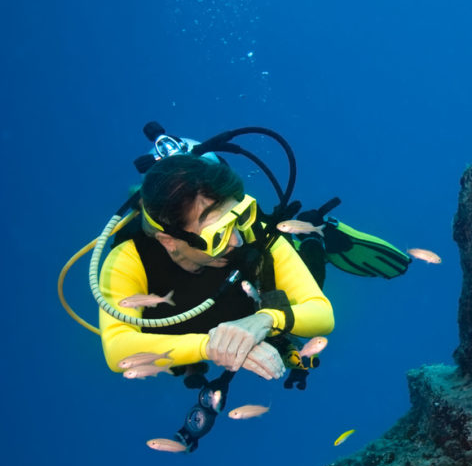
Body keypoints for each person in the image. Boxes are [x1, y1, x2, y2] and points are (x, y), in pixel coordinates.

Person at [99, 153, 334, 381]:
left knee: (306, 279)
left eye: (238, 219)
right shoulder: (130, 260)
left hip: (256, 309)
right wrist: (210, 347)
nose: (237, 240)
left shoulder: (254, 234)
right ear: (169, 241)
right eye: (218, 235)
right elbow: (118, 350)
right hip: (181, 334)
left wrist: (267, 320)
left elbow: (322, 314)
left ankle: (312, 236)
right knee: (181, 364)